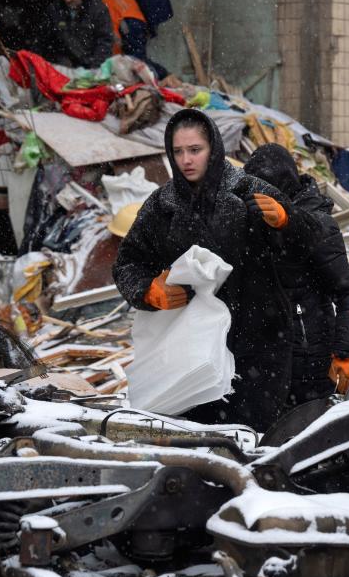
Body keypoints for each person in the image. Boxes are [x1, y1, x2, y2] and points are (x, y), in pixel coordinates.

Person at [113, 109, 319, 432]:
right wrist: (148, 291)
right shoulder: (162, 206)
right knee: (198, 444)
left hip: (260, 343)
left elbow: (311, 244)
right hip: (191, 348)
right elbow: (127, 263)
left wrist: (286, 220)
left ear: (214, 148)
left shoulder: (248, 189)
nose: (186, 160)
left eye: (195, 150)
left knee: (253, 441)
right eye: (178, 152)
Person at [243, 143, 349, 404]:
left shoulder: (317, 224)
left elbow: (347, 293)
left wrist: (345, 352)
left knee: (306, 431)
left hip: (310, 359)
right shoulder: (250, 219)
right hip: (263, 359)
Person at [37, 0, 113, 69]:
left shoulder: (98, 10)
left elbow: (104, 41)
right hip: (62, 67)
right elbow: (42, 40)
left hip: (90, 66)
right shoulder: (55, 10)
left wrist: (94, 69)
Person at [102, 0, 175, 82]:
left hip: (87, 47)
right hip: (99, 61)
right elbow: (137, 59)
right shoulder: (134, 22)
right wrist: (164, 74)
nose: (156, 26)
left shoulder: (127, 3)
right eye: (157, 22)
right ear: (153, 13)